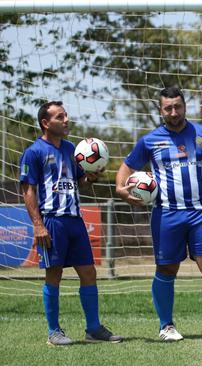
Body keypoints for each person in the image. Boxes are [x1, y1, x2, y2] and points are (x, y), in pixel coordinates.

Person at [115, 87, 202, 342]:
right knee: (166, 268)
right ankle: (166, 327)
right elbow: (126, 167)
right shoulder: (149, 140)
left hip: (201, 213)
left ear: (185, 106)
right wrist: (121, 190)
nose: (174, 112)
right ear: (160, 111)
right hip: (167, 214)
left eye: (178, 106)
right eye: (168, 108)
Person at [19, 101, 123, 346]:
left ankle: (94, 328)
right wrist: (38, 224)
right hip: (52, 222)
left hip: (75, 221)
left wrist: (91, 177)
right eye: (59, 117)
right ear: (46, 123)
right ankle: (54, 332)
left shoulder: (71, 150)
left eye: (66, 115)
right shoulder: (34, 152)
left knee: (89, 272)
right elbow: (28, 190)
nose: (66, 120)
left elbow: (79, 181)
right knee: (54, 274)